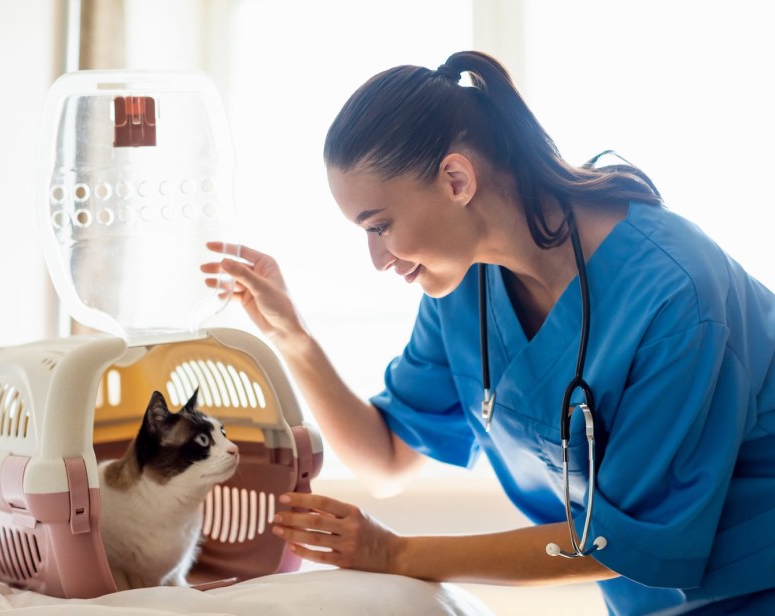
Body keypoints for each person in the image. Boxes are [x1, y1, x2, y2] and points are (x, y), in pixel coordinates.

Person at [200, 51, 775, 615]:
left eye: (380, 226)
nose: (377, 259)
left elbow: (618, 541)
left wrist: (395, 553)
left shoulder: (674, 295)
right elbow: (386, 458)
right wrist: (293, 338)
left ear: (456, 178)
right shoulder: (465, 285)